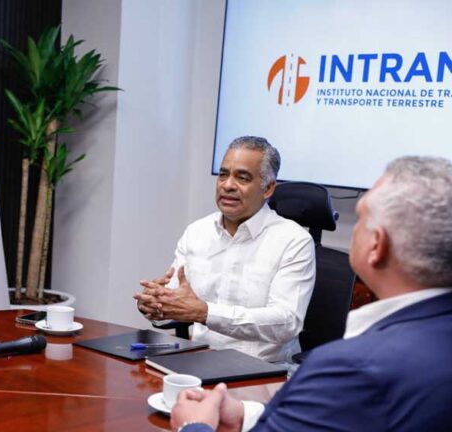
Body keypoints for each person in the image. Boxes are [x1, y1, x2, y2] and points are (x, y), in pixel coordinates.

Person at [171, 156, 452, 432]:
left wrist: (193, 425)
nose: (229, 184)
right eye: (224, 174)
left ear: (376, 246)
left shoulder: (350, 368)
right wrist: (246, 415)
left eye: (361, 219)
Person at [134, 136, 315, 362]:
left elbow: (286, 322)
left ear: (268, 188)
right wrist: (154, 303)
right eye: (223, 174)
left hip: (263, 369)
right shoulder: (197, 232)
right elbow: (176, 300)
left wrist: (204, 312)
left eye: (242, 177)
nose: (227, 185)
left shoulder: (294, 241)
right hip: (198, 362)